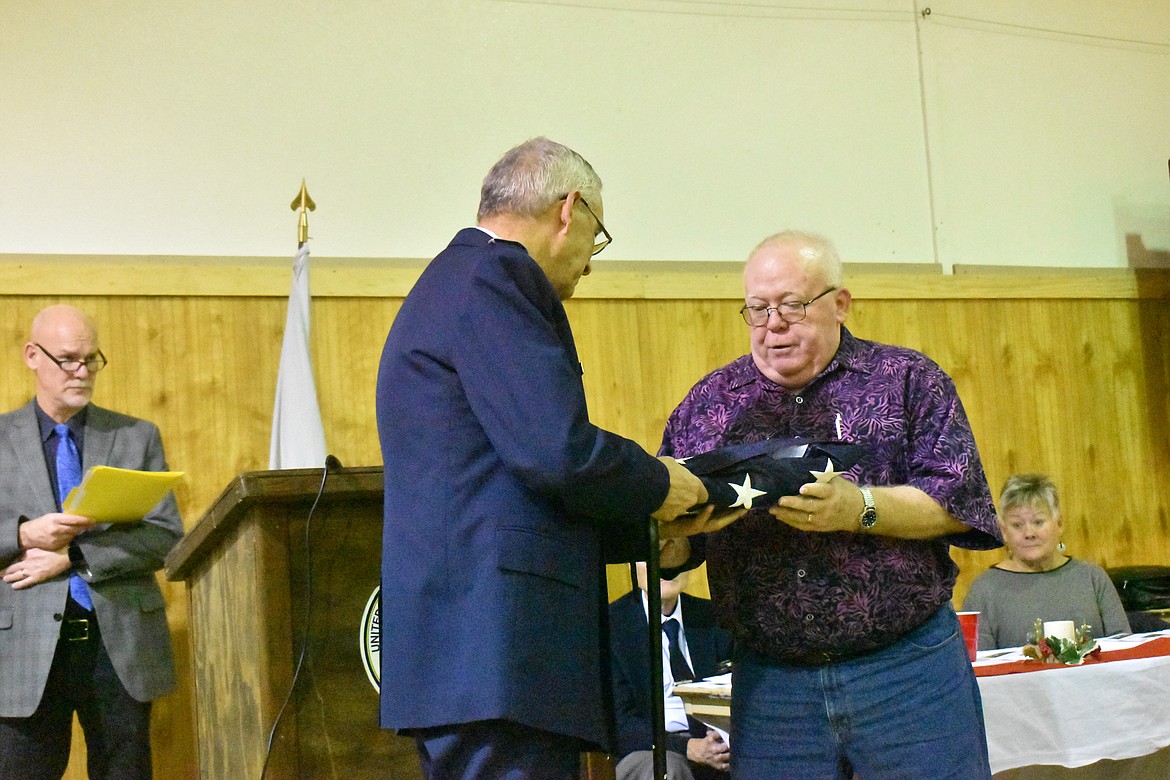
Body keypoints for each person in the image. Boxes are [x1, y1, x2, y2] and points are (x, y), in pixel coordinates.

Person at [376, 137, 723, 780]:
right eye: (598, 235)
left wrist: (651, 529)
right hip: (497, 651)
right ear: (570, 209)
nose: (591, 262)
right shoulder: (495, 276)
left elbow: (504, 482)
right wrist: (658, 484)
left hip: (470, 653)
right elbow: (554, 451)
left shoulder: (455, 281)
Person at [659, 230, 1004, 780]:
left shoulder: (908, 381)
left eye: (793, 306)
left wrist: (861, 508)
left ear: (840, 304)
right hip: (771, 688)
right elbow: (675, 551)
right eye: (757, 310)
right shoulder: (707, 407)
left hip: (906, 670)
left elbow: (958, 503)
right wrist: (671, 534)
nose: (773, 325)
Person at [0, 305, 183, 780]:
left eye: (91, 359)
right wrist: (22, 534)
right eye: (68, 360)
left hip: (118, 643)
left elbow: (165, 537)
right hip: (23, 646)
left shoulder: (135, 436)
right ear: (32, 356)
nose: (82, 372)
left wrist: (72, 557)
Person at [963, 473, 1130, 650]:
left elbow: (1125, 649)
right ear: (1003, 531)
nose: (1029, 533)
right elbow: (979, 666)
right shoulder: (984, 590)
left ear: (1059, 524)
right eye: (1017, 525)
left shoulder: (1092, 578)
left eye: (1038, 522)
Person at [609, 562, 732, 780]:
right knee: (668, 769)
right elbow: (620, 724)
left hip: (716, 743)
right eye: (651, 555)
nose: (663, 565)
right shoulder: (612, 625)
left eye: (672, 554)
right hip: (647, 748)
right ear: (632, 566)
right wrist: (687, 747)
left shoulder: (715, 617)